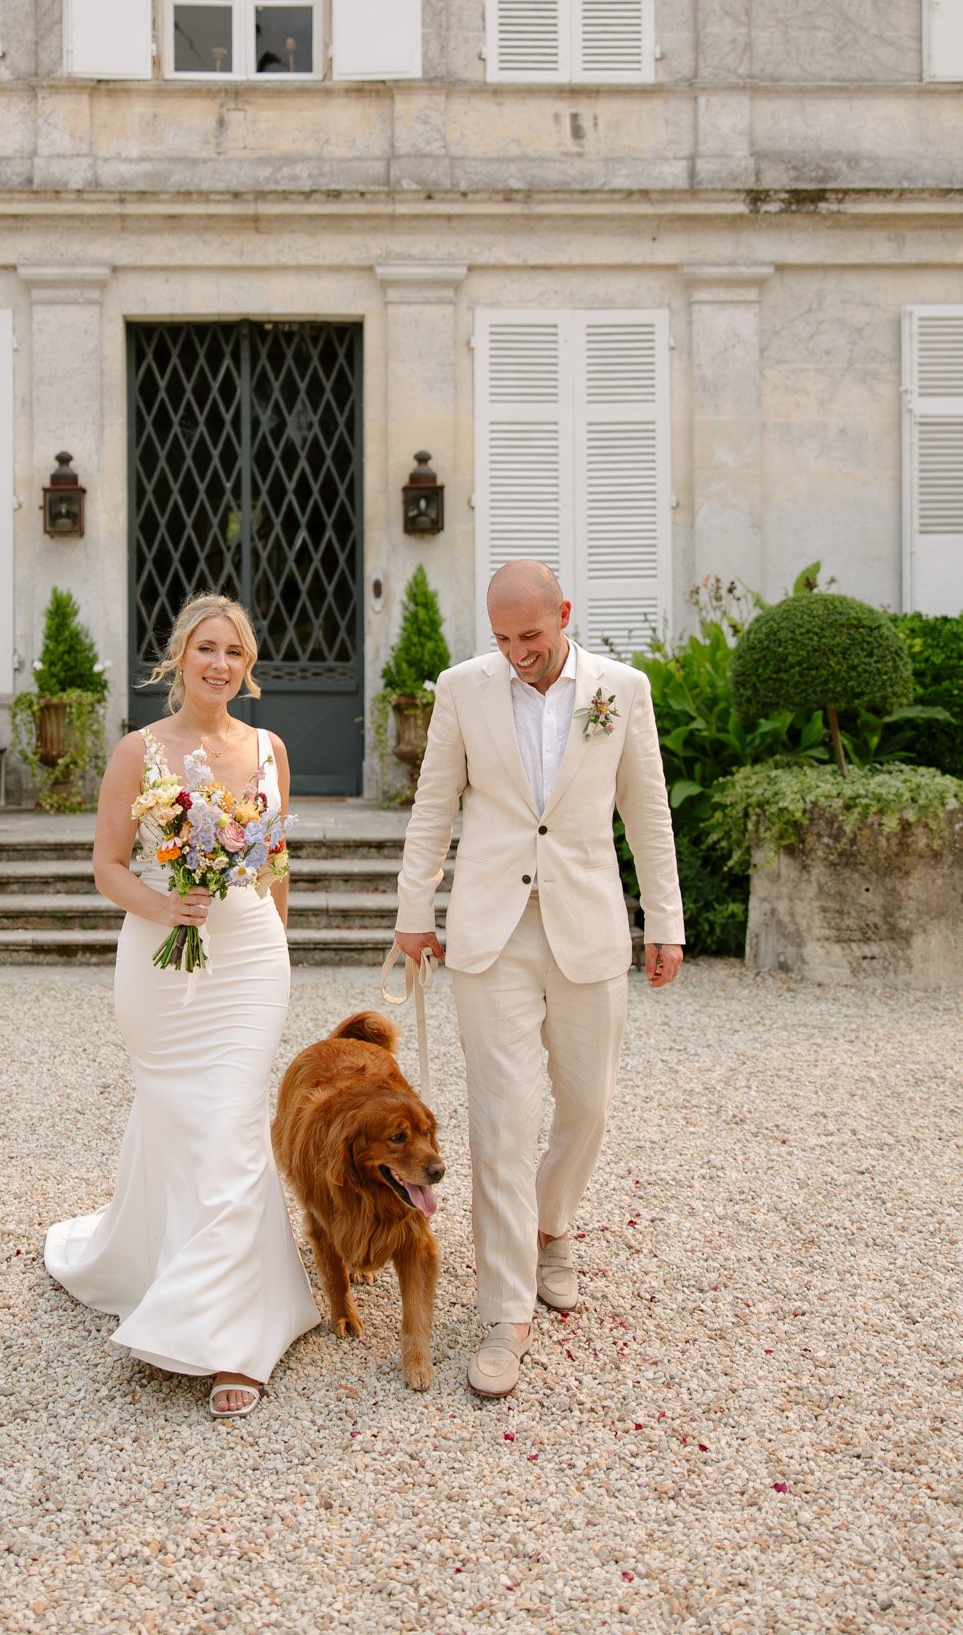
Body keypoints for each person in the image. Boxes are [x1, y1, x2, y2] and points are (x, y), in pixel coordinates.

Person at [394, 559, 685, 1399]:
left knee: (587, 1105)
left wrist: (663, 920)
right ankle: (503, 1314)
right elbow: (433, 805)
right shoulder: (462, 688)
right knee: (504, 1121)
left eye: (531, 635)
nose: (517, 653)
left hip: (588, 926)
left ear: (563, 615)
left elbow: (647, 810)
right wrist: (414, 910)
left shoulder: (621, 689)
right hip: (490, 935)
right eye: (501, 638)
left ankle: (551, 1224)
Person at [44, 593, 320, 1418]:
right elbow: (107, 866)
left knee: (233, 1123)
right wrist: (165, 906)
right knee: (179, 1117)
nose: (220, 665)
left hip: (248, 965)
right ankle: (152, 1260)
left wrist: (279, 947)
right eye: (206, 649)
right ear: (179, 657)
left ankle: (230, 1338)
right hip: (162, 961)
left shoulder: (268, 750)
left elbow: (274, 865)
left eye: (234, 652)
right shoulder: (140, 750)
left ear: (248, 664)